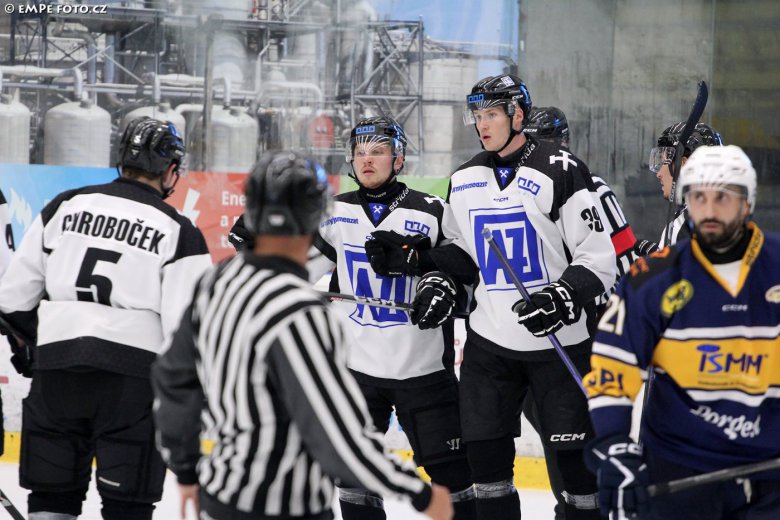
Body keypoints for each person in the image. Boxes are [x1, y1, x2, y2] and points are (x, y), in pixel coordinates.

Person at [152, 150, 454, 520]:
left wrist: (185, 467)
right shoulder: (302, 311)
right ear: (314, 218)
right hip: (287, 507)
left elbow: (173, 378)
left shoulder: (217, 282)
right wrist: (417, 492)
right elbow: (336, 436)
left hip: (219, 497)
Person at [366, 74, 615, 520]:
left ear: (517, 115)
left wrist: (562, 296)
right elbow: (466, 253)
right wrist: (416, 258)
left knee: (578, 475)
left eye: (492, 114)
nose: (482, 124)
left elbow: (597, 258)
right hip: (490, 346)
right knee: (486, 472)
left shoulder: (562, 169)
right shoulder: (465, 178)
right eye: (477, 115)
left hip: (559, 346)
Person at [0, 116, 212, 520]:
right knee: (127, 507)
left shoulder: (65, 205)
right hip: (133, 386)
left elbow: (12, 300)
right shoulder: (179, 231)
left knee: (51, 502)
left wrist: (38, 347)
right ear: (170, 169)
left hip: (57, 376)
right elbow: (188, 333)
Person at [584, 144, 780, 519]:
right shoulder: (652, 279)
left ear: (747, 203)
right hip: (679, 467)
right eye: (698, 197)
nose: (709, 209)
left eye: (723, 197)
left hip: (771, 473)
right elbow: (612, 367)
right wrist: (613, 445)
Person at [313, 116, 475, 520]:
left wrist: (442, 284)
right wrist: (260, 240)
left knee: (453, 475)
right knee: (353, 477)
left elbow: (469, 268)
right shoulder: (332, 212)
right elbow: (291, 262)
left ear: (398, 159)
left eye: (378, 151)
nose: (367, 160)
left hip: (423, 371)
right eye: (359, 152)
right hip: (356, 371)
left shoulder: (432, 210)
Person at [522, 106, 641, 519]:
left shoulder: (590, 187)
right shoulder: (512, 191)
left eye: (544, 142)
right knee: (561, 443)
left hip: (584, 337)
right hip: (533, 340)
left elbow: (623, 261)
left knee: (575, 444)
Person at [635, 121, 723, 255]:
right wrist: (660, 254)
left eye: (663, 162)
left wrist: (657, 264)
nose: (659, 174)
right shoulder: (721, 213)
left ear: (684, 165)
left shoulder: (686, 224)